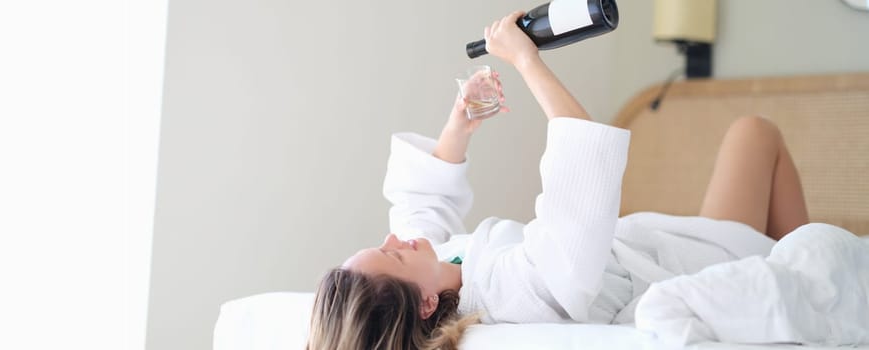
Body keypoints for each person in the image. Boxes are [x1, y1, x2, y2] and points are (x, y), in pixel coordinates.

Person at [306, 10, 810, 350]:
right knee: (754, 135)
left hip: (670, 241)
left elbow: (422, 203)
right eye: (393, 253)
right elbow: (581, 166)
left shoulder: (443, 270)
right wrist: (526, 58)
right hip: (707, 262)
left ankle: (801, 260)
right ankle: (800, 269)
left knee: (755, 137)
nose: (395, 236)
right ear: (425, 304)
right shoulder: (513, 293)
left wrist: (459, 124)